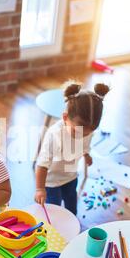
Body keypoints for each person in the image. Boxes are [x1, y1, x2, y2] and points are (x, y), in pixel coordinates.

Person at [34, 81, 110, 215]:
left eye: (87, 133)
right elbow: (41, 165)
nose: (82, 136)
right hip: (51, 182)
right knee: (53, 212)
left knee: (72, 209)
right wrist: (40, 189)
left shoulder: (87, 131)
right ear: (65, 117)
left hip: (71, 177)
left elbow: (85, 145)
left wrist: (86, 154)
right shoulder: (54, 135)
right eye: (77, 132)